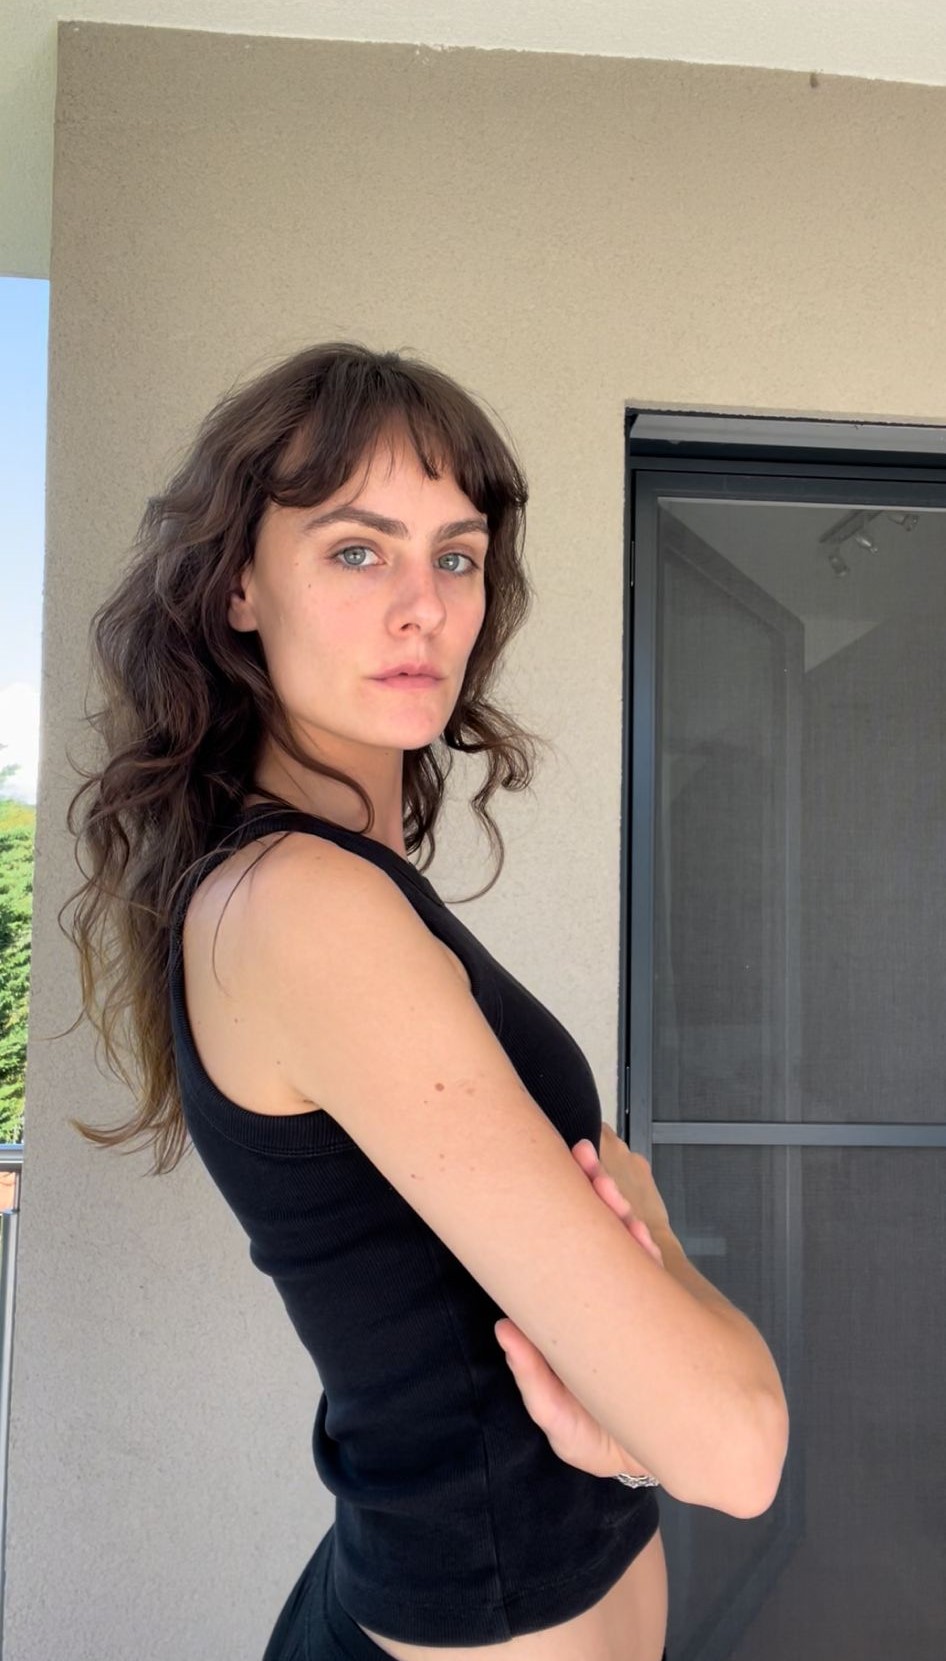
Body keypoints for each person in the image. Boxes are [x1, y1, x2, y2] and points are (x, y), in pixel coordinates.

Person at [64, 342, 789, 1661]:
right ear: (238, 584)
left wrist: (637, 1426)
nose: (423, 609)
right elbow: (734, 1449)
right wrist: (661, 1254)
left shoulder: (338, 885)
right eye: (357, 550)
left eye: (455, 556)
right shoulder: (304, 907)